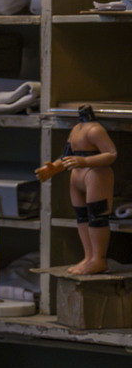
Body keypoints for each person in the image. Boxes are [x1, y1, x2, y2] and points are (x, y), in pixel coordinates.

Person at [63, 105, 116, 275]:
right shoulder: (75, 130)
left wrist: (85, 162)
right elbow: (65, 156)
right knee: (82, 216)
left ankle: (98, 259)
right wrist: (52, 168)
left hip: (95, 175)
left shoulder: (95, 130)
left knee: (97, 216)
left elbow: (111, 154)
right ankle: (89, 257)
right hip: (77, 177)